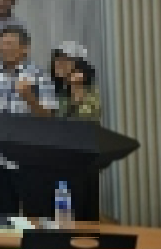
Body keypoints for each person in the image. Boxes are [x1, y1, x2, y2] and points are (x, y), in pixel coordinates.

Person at [0, 26, 60, 219]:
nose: (5, 48)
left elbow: (49, 118)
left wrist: (29, 97)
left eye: (10, 44)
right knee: (4, 216)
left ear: (25, 48)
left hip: (29, 160)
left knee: (35, 215)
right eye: (1, 44)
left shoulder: (39, 76)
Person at [52, 43, 102, 221]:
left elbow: (84, 118)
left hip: (81, 158)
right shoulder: (59, 90)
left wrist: (76, 87)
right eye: (57, 60)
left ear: (78, 64)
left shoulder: (88, 90)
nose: (59, 64)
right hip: (59, 158)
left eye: (65, 60)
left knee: (82, 211)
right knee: (63, 211)